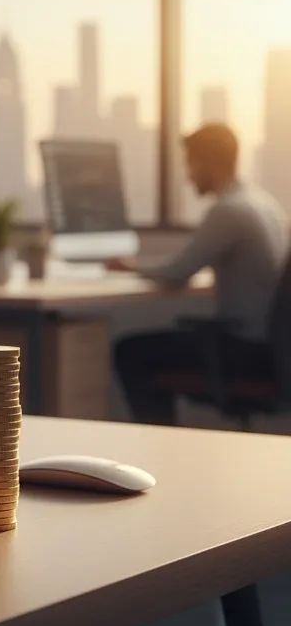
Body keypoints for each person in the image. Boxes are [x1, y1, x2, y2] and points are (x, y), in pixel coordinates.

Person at [111, 123, 288, 424]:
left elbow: (177, 272)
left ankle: (158, 450)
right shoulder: (265, 205)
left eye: (190, 163)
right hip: (274, 349)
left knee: (129, 351)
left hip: (246, 351)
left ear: (208, 162)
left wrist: (128, 266)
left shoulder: (230, 210)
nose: (188, 175)